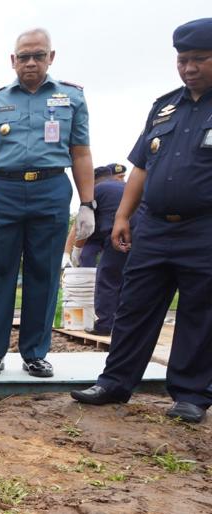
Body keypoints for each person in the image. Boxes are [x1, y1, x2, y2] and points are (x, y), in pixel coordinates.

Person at [71, 18, 212, 424]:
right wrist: (122, 216)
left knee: (199, 312)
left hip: (204, 228)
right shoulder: (164, 107)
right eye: (182, 60)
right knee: (134, 305)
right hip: (154, 225)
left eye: (199, 59)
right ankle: (115, 382)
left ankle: (191, 395)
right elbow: (141, 169)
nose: (188, 68)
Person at [0, 28, 96, 378]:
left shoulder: (71, 98)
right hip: (4, 189)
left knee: (43, 272)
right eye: (23, 56)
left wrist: (87, 203)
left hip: (51, 187)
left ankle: (35, 353)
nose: (30, 62)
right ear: (12, 60)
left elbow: (81, 152)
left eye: (38, 55)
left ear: (51, 58)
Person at [61, 163, 132, 335]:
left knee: (106, 278)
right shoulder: (125, 187)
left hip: (118, 235)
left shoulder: (95, 191)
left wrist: (73, 252)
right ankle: (125, 324)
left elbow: (82, 225)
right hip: (139, 235)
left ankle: (105, 325)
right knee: (126, 280)